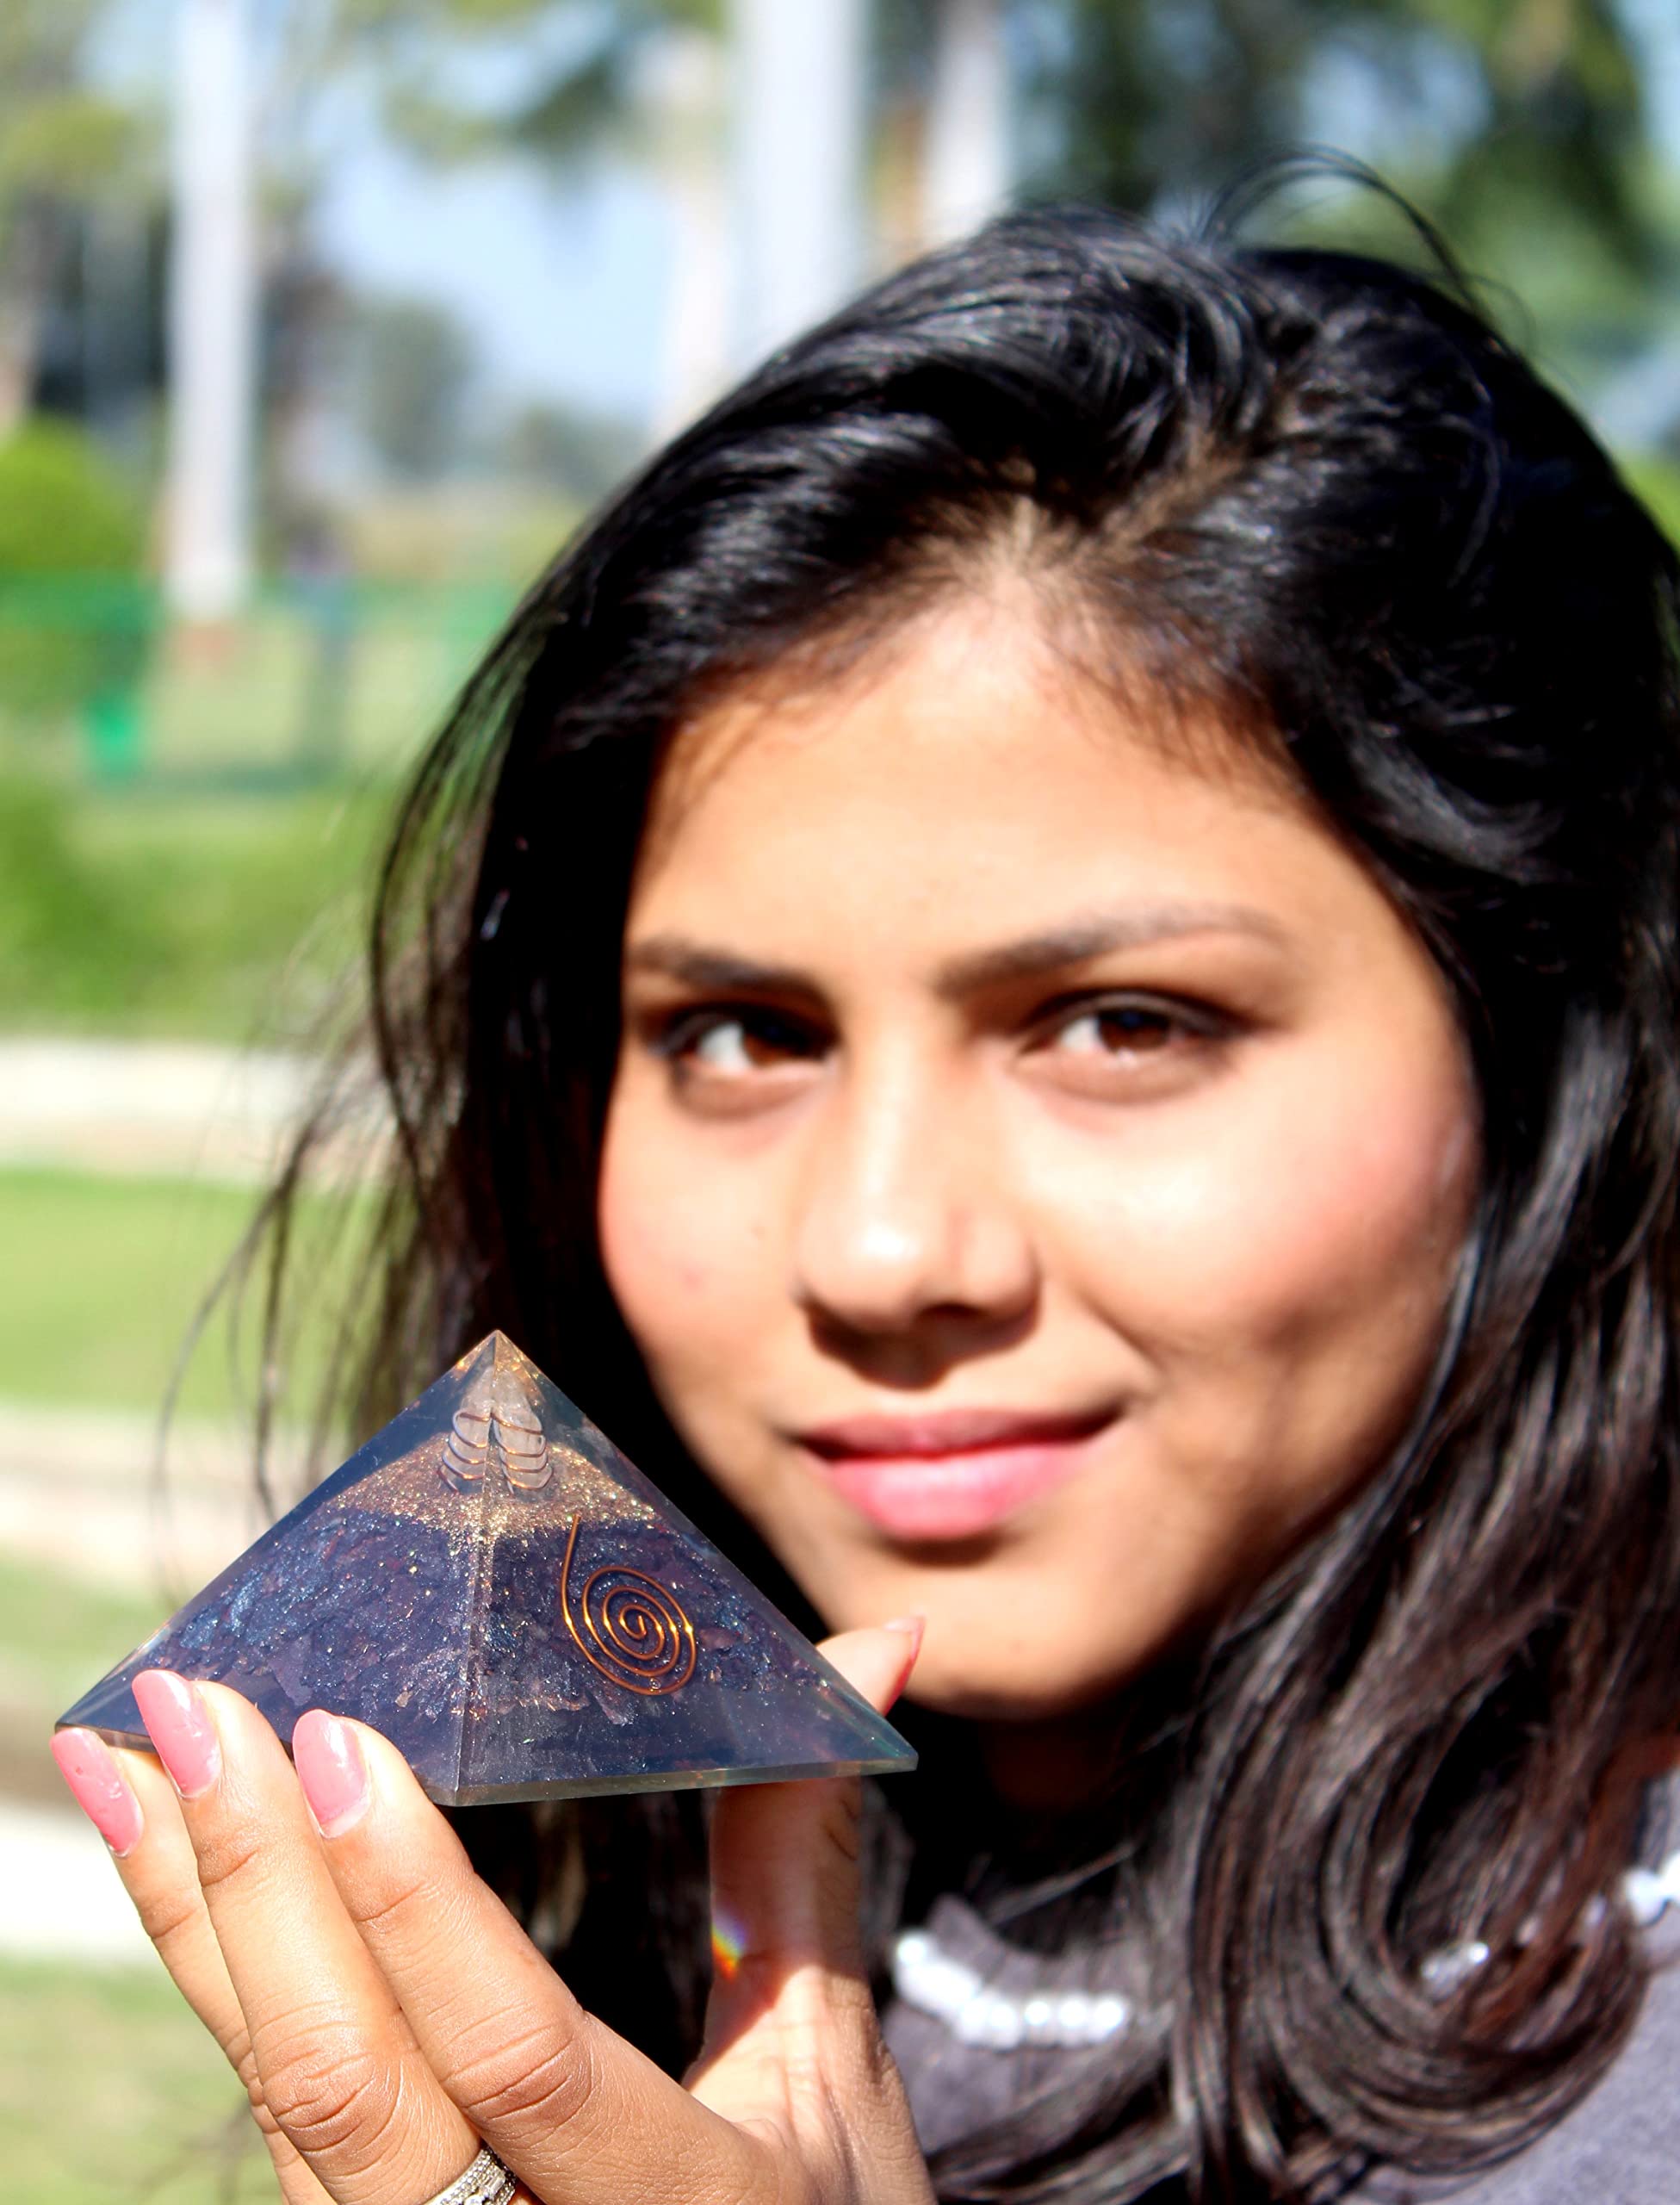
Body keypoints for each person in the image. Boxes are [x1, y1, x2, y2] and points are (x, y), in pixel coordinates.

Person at [49, 187, 1680, 2204]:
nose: (880, 1249)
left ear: (1552, 1049)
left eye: (1123, 1023)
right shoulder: (632, 1969)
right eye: (740, 1034)